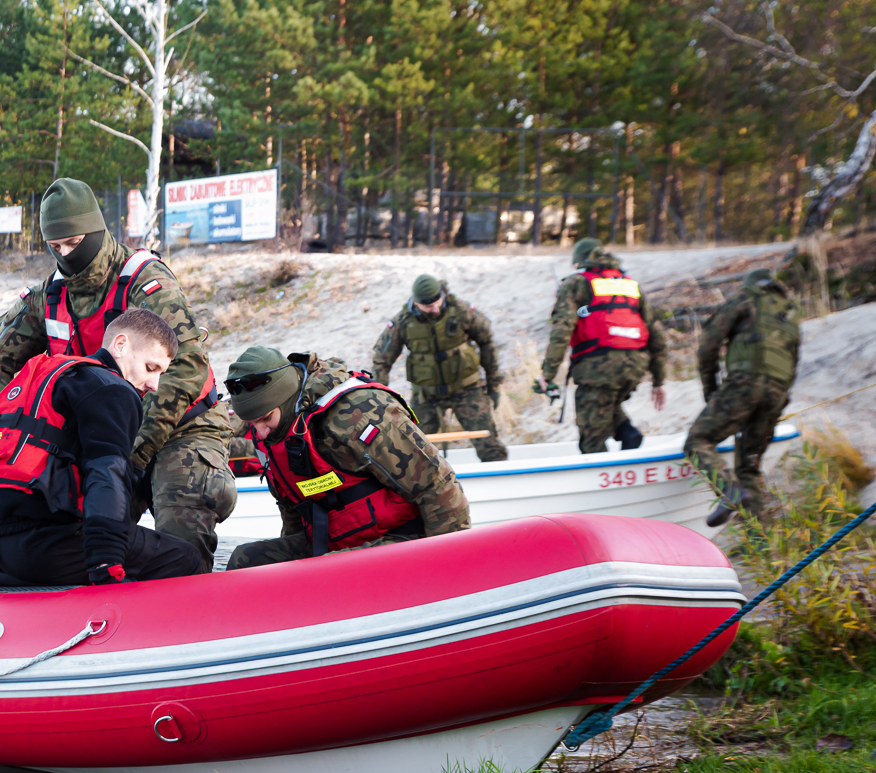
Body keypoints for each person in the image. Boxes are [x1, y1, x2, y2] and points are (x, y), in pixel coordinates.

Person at [0, 177, 235, 573]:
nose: (66, 256)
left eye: (74, 244)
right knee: (82, 537)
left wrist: (129, 454)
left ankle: (189, 605)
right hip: (108, 440)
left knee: (178, 533)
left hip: (179, 428)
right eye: (55, 248)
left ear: (95, 231)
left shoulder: (145, 281)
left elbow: (185, 366)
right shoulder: (48, 297)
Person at [0, 308, 201, 588]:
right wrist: (106, 563)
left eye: (162, 374)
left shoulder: (45, 379)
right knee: (186, 556)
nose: (154, 384)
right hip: (39, 551)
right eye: (150, 368)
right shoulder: (113, 389)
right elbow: (108, 477)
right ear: (120, 345)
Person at [223, 347, 471, 570]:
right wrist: (293, 570)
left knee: (330, 571)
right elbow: (294, 510)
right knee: (246, 560)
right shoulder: (271, 434)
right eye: (253, 424)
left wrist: (450, 564)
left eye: (266, 419)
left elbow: (437, 485)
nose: (260, 431)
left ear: (286, 398)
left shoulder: (358, 413)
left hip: (400, 538)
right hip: (332, 543)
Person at [685, 268, 802, 527]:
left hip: (744, 384)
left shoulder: (745, 300)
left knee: (698, 441)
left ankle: (730, 492)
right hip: (777, 392)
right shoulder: (790, 314)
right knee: (749, 466)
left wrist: (710, 390)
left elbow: (707, 346)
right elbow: (793, 360)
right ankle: (762, 546)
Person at [534, 237, 667, 453]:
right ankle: (627, 432)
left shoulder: (576, 283)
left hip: (598, 367)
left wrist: (547, 374)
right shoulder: (629, 283)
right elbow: (656, 333)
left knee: (591, 437)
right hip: (635, 366)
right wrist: (659, 381)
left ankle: (606, 477)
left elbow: (562, 329)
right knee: (605, 404)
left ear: (578, 262)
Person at [371, 274, 508, 461]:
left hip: (467, 390)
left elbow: (487, 343)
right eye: (428, 306)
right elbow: (381, 361)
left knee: (490, 446)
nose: (435, 309)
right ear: (416, 303)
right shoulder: (403, 322)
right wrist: (381, 403)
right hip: (426, 396)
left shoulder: (461, 311)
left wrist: (493, 383)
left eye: (438, 303)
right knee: (413, 452)